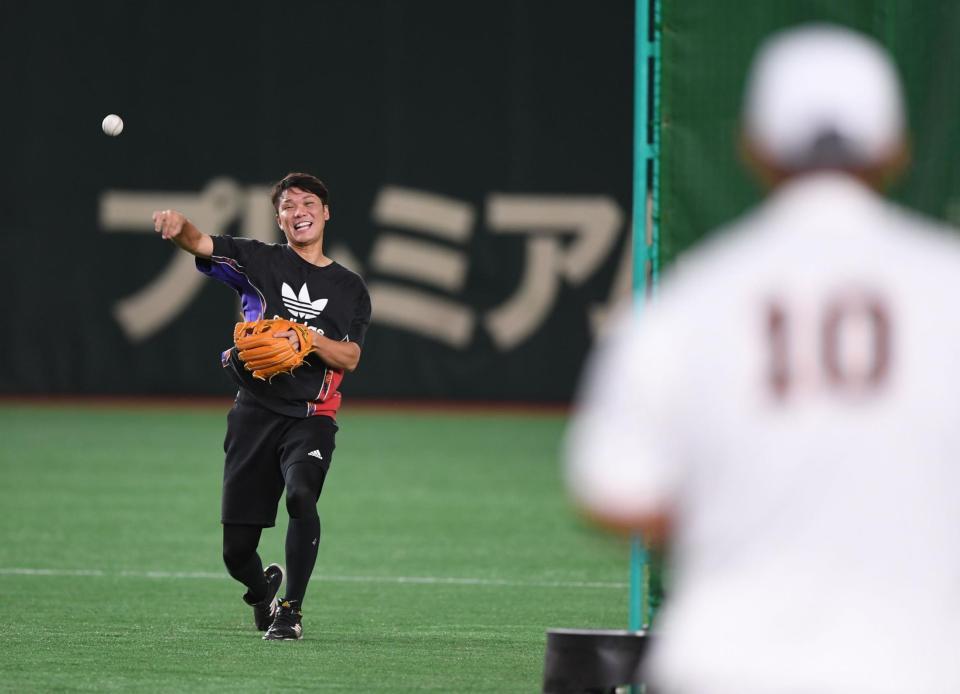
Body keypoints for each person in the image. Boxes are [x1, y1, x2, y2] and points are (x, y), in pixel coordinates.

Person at [566, 24, 960, 694]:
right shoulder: (946, 286)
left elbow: (615, 493)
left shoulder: (692, 298)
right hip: (918, 663)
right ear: (896, 149)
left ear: (755, 148)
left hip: (730, 661)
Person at [153, 172, 371, 640]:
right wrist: (179, 227)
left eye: (309, 202)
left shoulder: (350, 287)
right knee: (235, 553)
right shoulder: (259, 261)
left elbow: (350, 356)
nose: (300, 211)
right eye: (289, 206)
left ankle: (290, 611)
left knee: (300, 495)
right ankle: (263, 593)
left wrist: (305, 337)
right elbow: (204, 244)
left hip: (312, 417)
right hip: (254, 412)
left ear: (326, 212)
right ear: (279, 219)